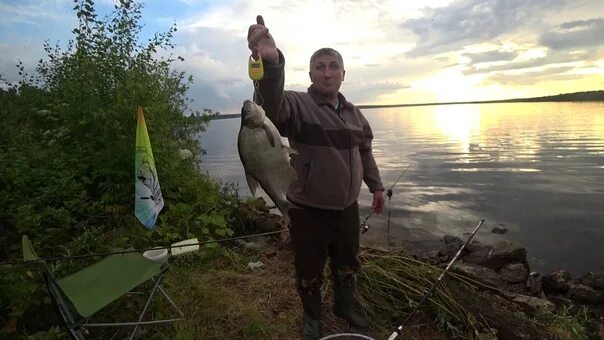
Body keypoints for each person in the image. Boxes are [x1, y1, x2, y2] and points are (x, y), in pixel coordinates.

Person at [247, 15, 385, 339]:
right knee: (308, 269)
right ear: (310, 74)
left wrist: (376, 187)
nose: (326, 72)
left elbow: (365, 153)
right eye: (319, 67)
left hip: (347, 209)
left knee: (348, 264)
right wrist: (271, 64)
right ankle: (312, 317)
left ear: (342, 74)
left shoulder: (355, 114)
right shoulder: (298, 104)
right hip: (308, 211)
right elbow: (271, 107)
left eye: (332, 66)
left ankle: (344, 306)